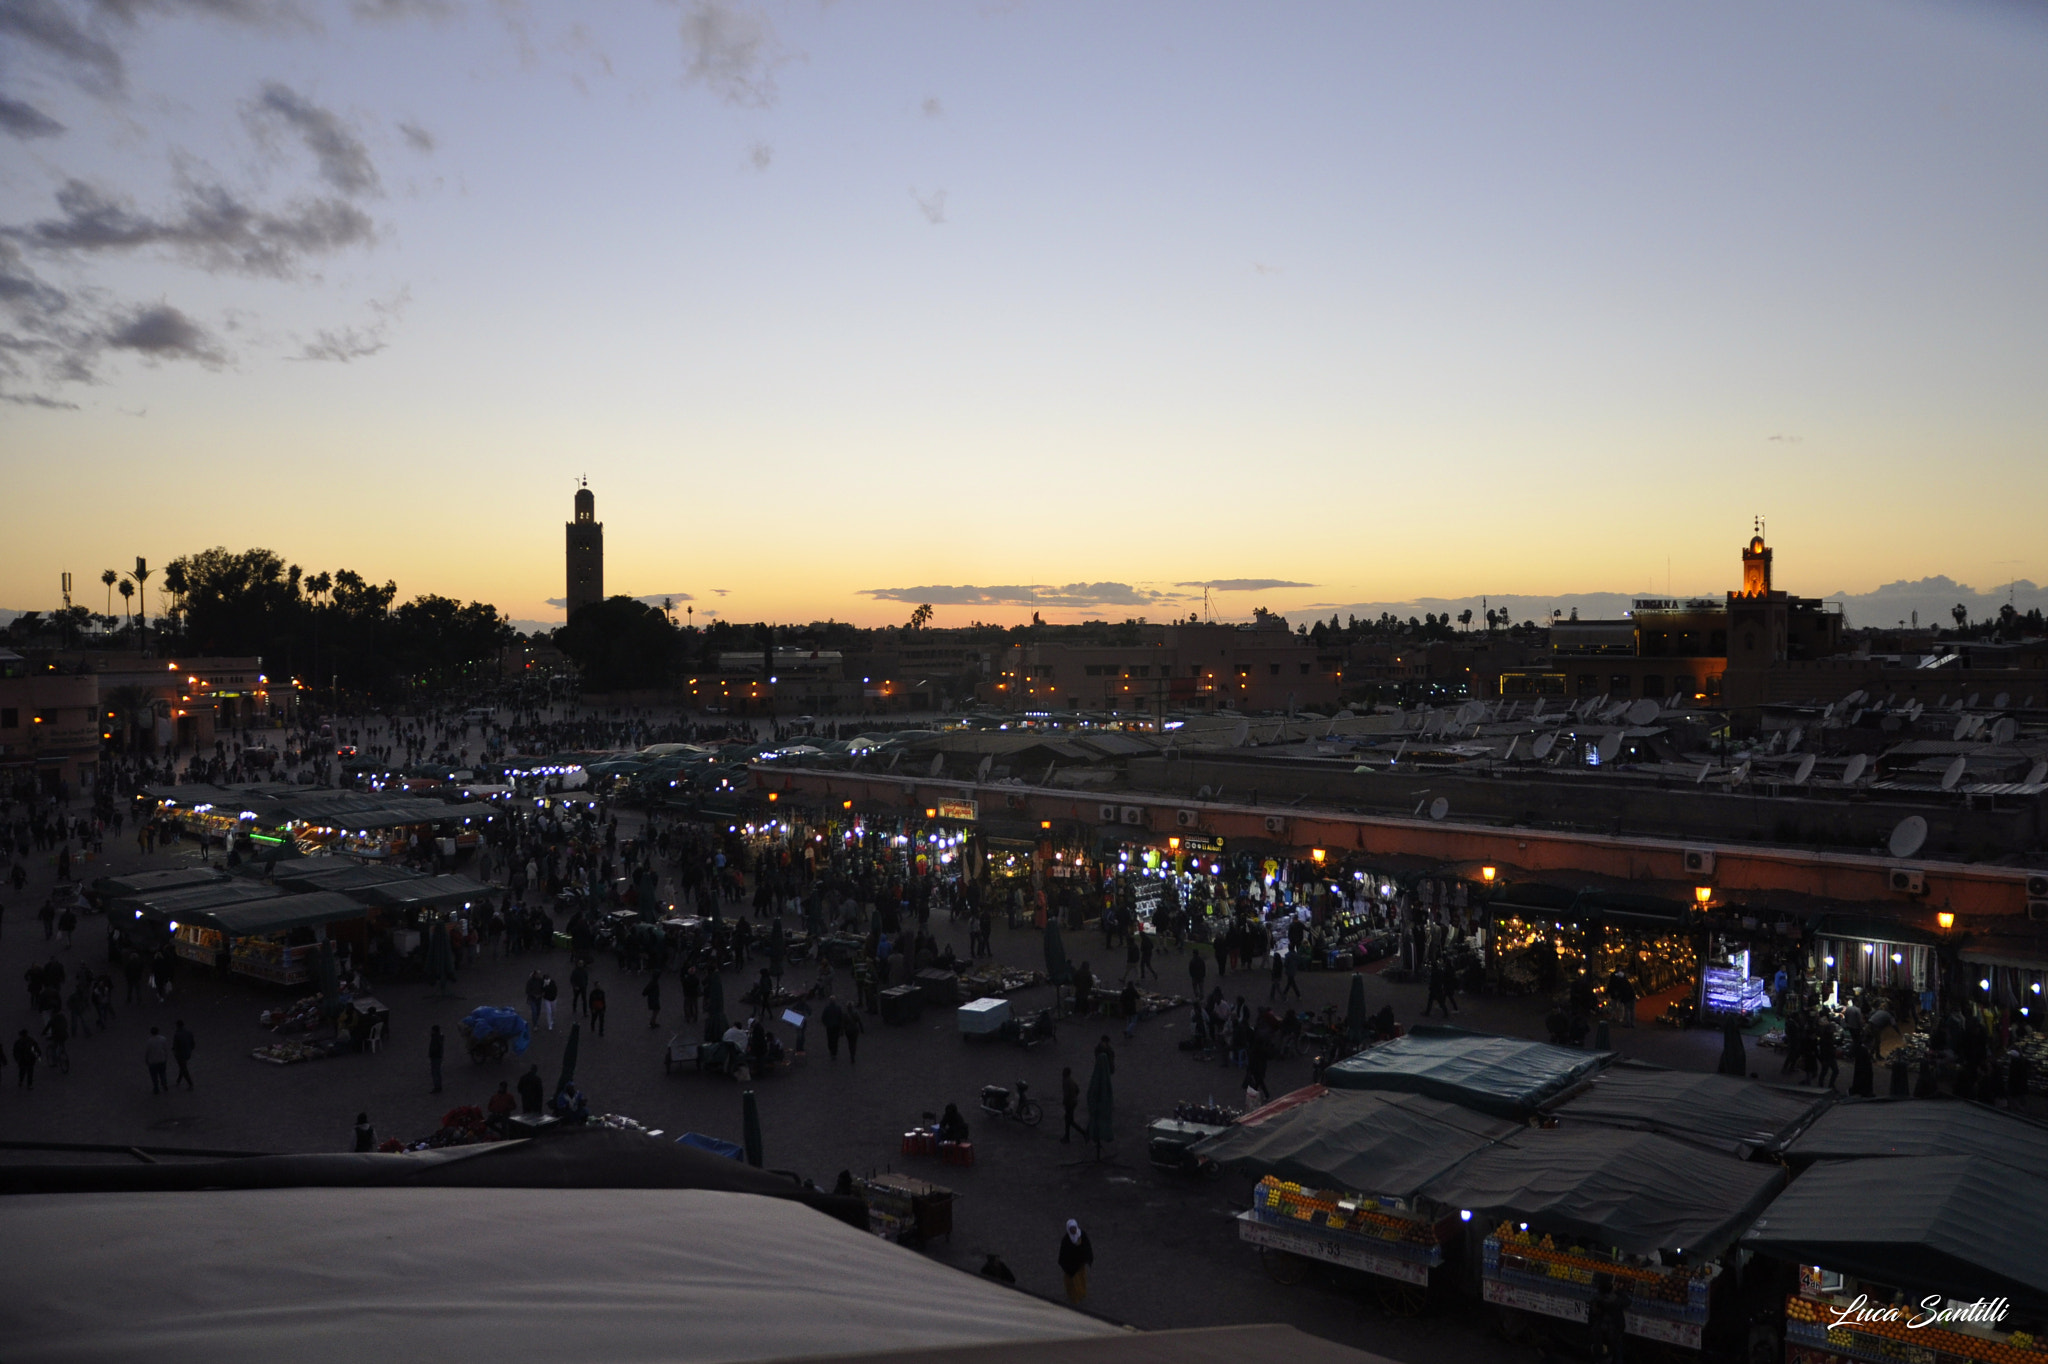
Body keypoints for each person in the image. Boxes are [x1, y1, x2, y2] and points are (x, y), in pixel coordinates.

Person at [1057, 1219, 1094, 1303]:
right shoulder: (1066, 1239)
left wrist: (1086, 1258)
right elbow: (1063, 1252)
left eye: (1074, 1228)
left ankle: (1081, 1294)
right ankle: (1073, 1297)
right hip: (1071, 1265)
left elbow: (1087, 1247)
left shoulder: (1082, 1235)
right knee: (1072, 1282)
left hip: (1079, 1264)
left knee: (1080, 1280)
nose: (1073, 1230)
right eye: (1071, 1229)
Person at [171, 1019, 196, 1090]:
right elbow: (193, 1044)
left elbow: (175, 1045)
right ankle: (179, 1079)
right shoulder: (189, 1032)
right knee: (183, 1066)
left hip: (180, 1054)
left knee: (183, 1068)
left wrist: (174, 1052)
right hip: (187, 1053)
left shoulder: (177, 1034)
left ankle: (190, 1083)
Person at [144, 1025, 170, 1093]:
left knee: (154, 1076)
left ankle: (156, 1088)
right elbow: (166, 1049)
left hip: (153, 1061)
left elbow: (147, 1052)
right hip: (161, 1059)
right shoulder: (163, 1039)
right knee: (162, 1074)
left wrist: (146, 1059)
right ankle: (164, 1085)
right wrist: (166, 1057)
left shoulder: (149, 1041)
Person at [1060, 1066, 1082, 1143]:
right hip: (1073, 1102)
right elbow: (1077, 1090)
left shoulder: (1066, 1082)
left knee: (1069, 1121)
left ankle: (1083, 1133)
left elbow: (1066, 1094)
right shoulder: (1071, 1080)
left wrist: (1065, 1102)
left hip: (1069, 1103)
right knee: (1069, 1120)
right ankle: (1067, 1136)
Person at [427, 1024, 445, 1094]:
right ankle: (439, 1086)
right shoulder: (439, 1037)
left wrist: (431, 1054)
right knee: (438, 1072)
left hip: (435, 1057)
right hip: (438, 1056)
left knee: (435, 1072)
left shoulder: (435, 1038)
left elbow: (434, 1048)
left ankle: (437, 1087)